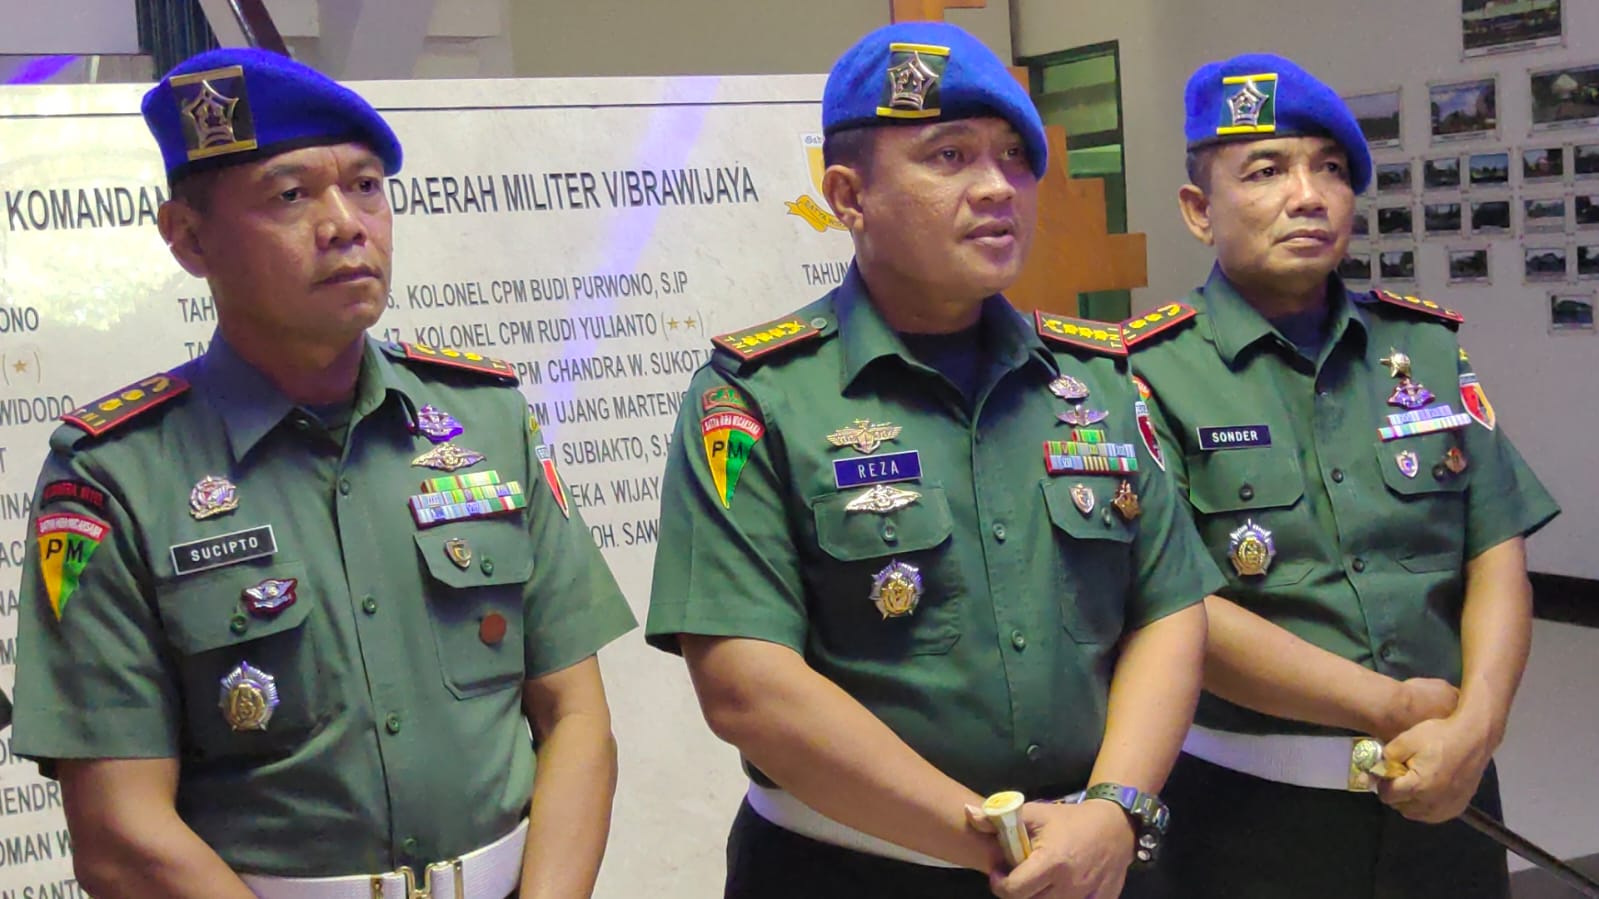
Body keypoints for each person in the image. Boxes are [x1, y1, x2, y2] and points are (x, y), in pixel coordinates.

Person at [11, 48, 635, 899]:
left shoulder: (483, 420)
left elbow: (575, 717)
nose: (346, 223)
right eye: (292, 194)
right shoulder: (115, 478)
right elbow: (123, 830)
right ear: (189, 240)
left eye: (367, 186)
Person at [646, 21, 1222, 899]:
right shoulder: (756, 399)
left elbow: (1169, 611)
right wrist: (996, 839)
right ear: (848, 194)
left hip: (1097, 861)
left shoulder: (1096, 382)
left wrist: (1112, 809)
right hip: (851, 872)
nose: (997, 189)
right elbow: (746, 687)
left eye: (1013, 158)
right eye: (948, 156)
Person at [1125, 53, 1560, 898]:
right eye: (1266, 170)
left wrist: (1477, 725)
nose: (1308, 195)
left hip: (1450, 795)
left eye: (1330, 169)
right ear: (1196, 210)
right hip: (1250, 815)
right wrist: (1389, 709)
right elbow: (1177, 606)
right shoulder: (1142, 374)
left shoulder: (1424, 351)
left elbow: (1493, 552)